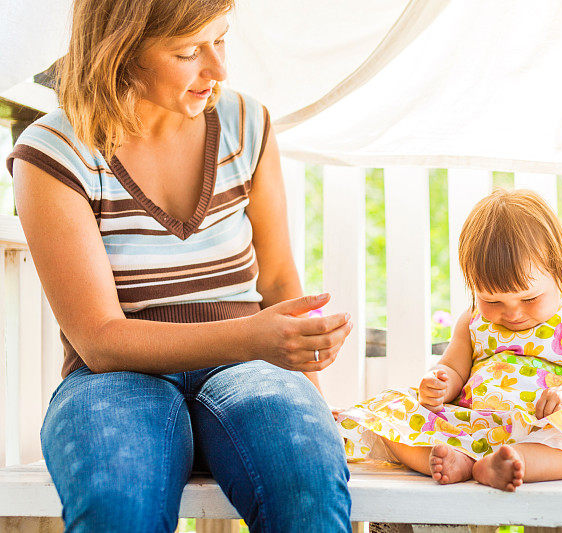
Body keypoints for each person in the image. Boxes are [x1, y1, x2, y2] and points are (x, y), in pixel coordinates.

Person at [5, 0, 353, 531]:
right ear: (120, 52)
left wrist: (308, 395)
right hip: (115, 379)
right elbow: (99, 340)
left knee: (305, 480)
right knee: (117, 507)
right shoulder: (53, 152)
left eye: (221, 40)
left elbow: (280, 280)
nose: (217, 69)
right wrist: (252, 337)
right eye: (189, 51)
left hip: (250, 373)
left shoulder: (245, 122)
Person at [336, 189, 562, 491]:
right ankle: (462, 462)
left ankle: (508, 464)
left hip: (539, 430)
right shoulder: (472, 322)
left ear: (558, 267)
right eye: (492, 300)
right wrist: (440, 384)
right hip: (471, 424)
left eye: (528, 298)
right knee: (394, 407)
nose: (511, 313)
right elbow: (452, 368)